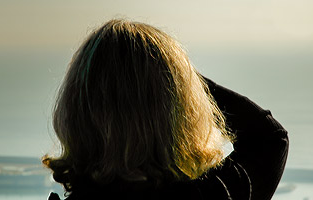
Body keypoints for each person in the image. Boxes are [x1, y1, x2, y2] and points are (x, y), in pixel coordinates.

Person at [43, 19, 289, 200]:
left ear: (75, 114)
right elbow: (269, 138)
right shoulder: (214, 195)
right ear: (179, 108)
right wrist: (181, 79)